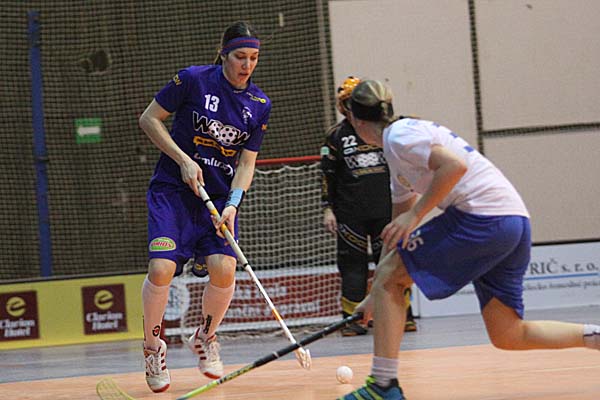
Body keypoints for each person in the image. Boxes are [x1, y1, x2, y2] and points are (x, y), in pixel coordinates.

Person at [339, 80, 600, 400]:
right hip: (513, 221)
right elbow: (397, 229)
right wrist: (376, 292)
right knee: (508, 333)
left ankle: (382, 386)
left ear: (356, 121)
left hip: (483, 218)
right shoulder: (399, 146)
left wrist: (416, 216)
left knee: (392, 277)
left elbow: (454, 166)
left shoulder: (399, 136)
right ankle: (595, 337)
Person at [138, 21, 271, 393]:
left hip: (217, 199)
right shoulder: (193, 80)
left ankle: (206, 336)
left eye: (254, 58)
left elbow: (246, 164)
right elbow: (149, 119)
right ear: (223, 53)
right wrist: (182, 159)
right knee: (162, 269)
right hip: (173, 192)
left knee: (224, 269)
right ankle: (152, 347)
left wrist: (234, 203)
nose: (247, 65)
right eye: (240, 56)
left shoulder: (260, 105)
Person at [320, 76, 416, 336]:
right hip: (351, 213)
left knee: (391, 261)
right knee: (352, 266)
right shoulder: (336, 136)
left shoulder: (388, 131)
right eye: (347, 103)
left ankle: (403, 315)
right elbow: (327, 175)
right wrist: (328, 208)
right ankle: (352, 320)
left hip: (385, 209)